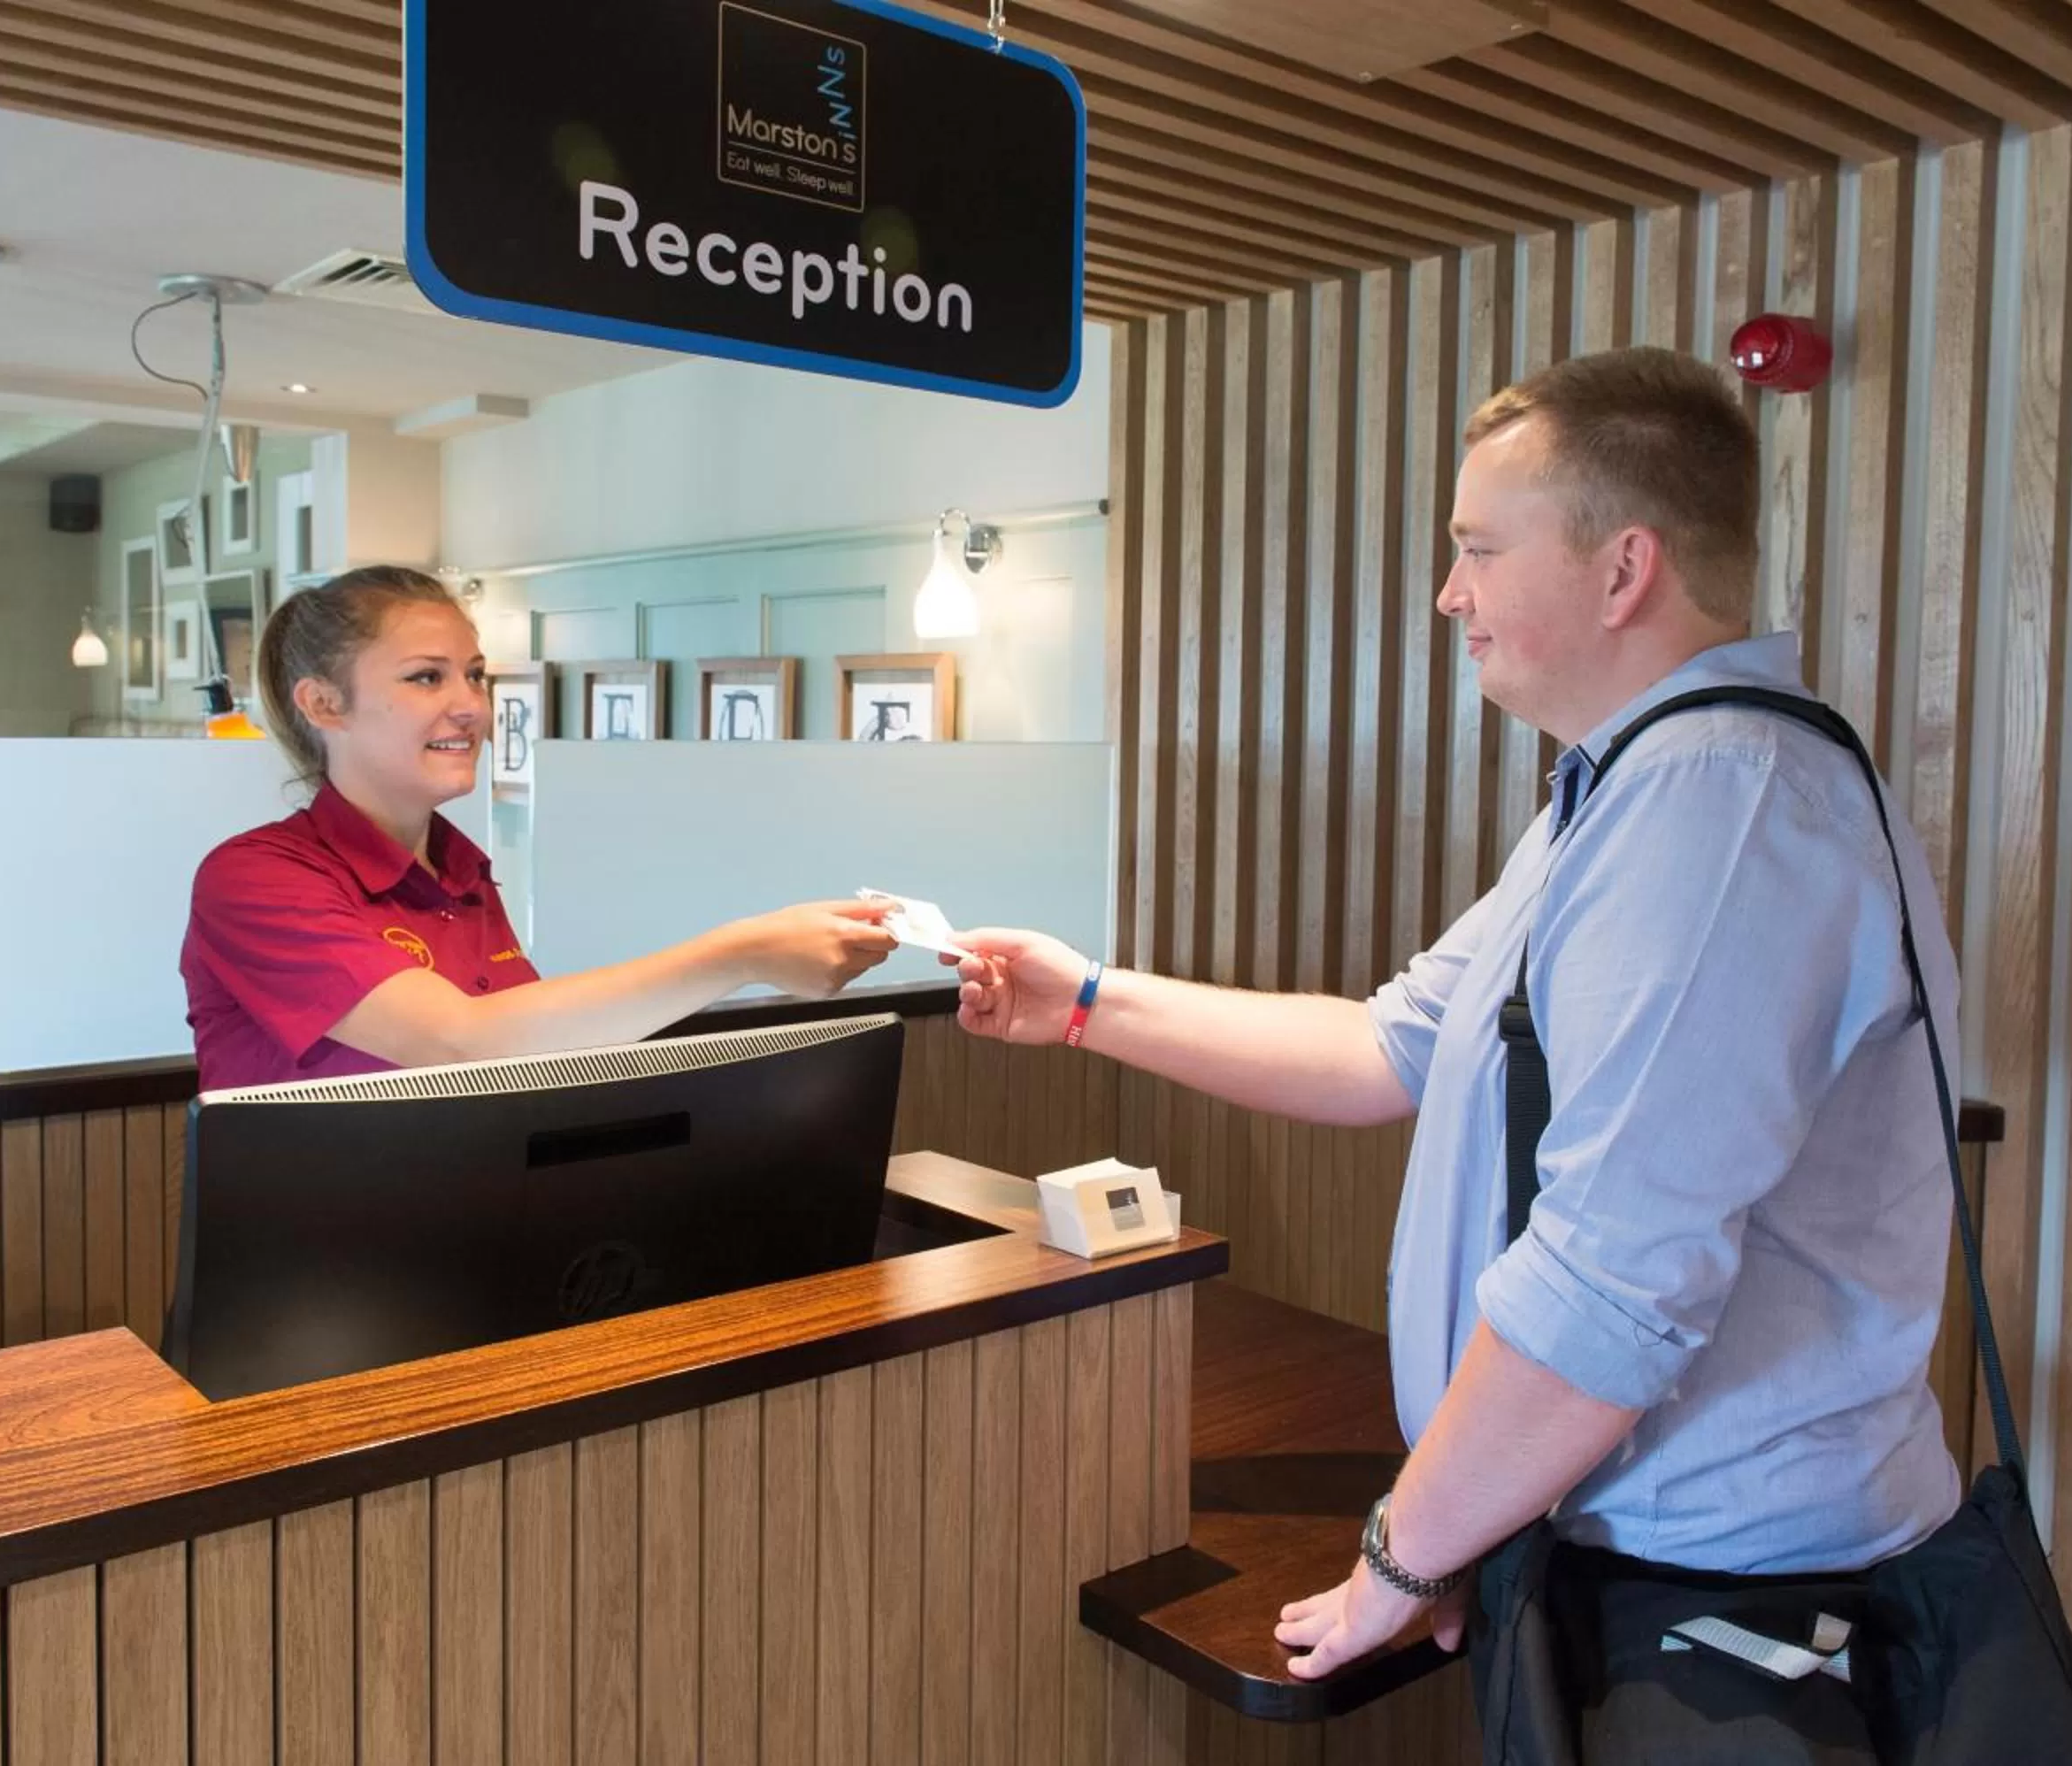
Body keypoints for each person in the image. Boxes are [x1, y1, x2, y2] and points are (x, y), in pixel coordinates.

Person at [947, 348, 1964, 1752]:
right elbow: (1390, 1045)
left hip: (1729, 1612)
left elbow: (1613, 1285)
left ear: (1623, 571)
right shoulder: (1625, 792)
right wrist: (1084, 999)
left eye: (1479, 548)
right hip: (1606, 1556)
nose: (1449, 595)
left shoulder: (1718, 808)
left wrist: (1407, 1552)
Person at [181, 565, 896, 1091]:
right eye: (427, 678)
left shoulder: (460, 872)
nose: (471, 706)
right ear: (324, 704)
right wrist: (743, 953)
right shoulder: (256, 879)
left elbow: (529, 1052)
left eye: (475, 675)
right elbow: (459, 1044)